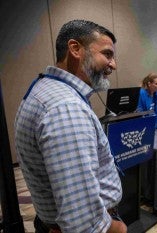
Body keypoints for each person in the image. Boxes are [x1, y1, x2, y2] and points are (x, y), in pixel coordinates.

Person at [14, 20, 127, 233]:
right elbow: (82, 222)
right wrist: (117, 228)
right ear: (75, 49)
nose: (113, 65)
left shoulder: (46, 90)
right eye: (107, 54)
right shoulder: (66, 108)